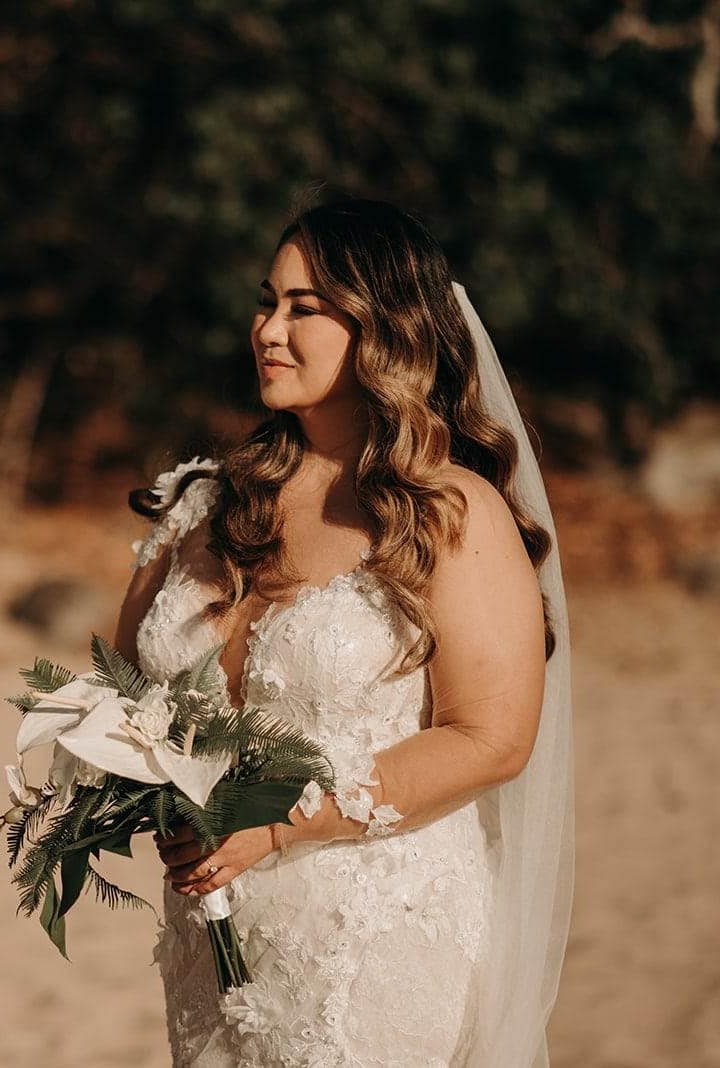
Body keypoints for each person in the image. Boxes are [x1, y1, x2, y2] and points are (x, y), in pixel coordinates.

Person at [117, 199, 573, 1066]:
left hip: (370, 935)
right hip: (212, 937)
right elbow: (126, 696)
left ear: (385, 329)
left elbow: (492, 738)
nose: (268, 328)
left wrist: (282, 822)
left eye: (305, 307)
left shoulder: (445, 512)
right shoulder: (201, 502)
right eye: (265, 301)